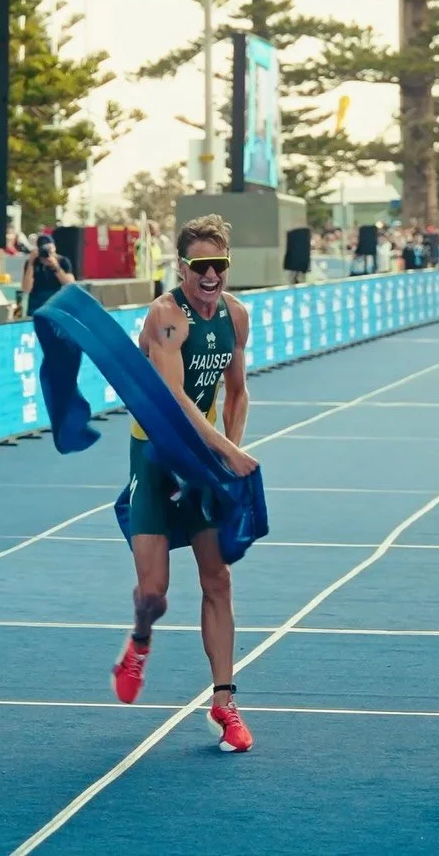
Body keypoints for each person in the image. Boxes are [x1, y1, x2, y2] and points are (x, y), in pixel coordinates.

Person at [112, 213, 259, 753]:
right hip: (154, 454)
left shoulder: (236, 316)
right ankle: (140, 640)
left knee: (217, 579)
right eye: (202, 266)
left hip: (200, 460)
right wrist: (225, 452)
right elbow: (173, 402)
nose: (212, 275)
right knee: (154, 592)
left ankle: (225, 703)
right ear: (182, 267)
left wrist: (227, 450)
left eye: (220, 264)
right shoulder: (166, 318)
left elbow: (238, 393)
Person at [21, 233, 75, 316]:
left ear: (55, 248)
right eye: (44, 250)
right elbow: (26, 288)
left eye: (50, 250)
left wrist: (56, 267)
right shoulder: (32, 263)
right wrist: (31, 263)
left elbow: (70, 284)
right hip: (37, 304)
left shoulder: (62, 261)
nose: (47, 254)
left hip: (56, 302)